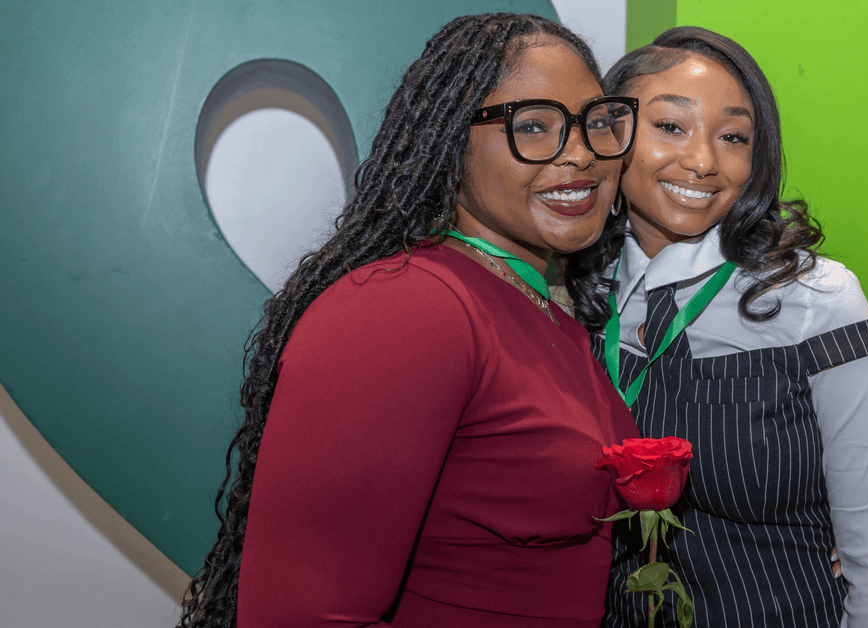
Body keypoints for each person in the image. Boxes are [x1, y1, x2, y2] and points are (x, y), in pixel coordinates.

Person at [176, 13, 641, 628]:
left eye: (597, 123)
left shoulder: (538, 305)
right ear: (451, 138)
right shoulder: (404, 308)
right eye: (534, 126)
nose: (580, 154)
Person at [566, 27, 868, 628]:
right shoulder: (575, 290)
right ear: (609, 134)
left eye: (733, 136)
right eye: (671, 127)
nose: (702, 160)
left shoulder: (816, 298)